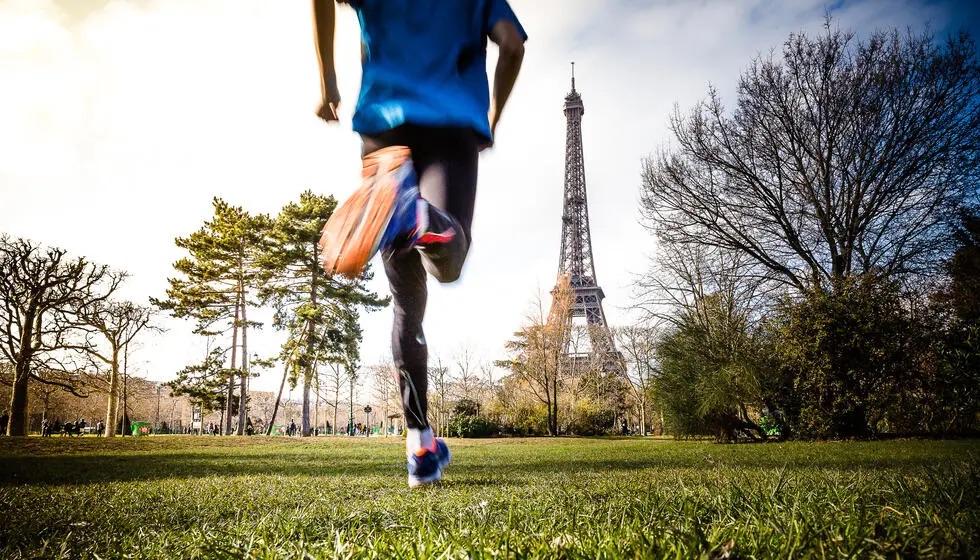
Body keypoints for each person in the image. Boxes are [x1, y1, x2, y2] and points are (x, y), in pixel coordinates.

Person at [312, 0, 525, 488]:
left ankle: (421, 447)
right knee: (447, 264)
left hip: (383, 133)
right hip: (451, 125)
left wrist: (327, 81)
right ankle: (421, 216)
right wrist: (492, 111)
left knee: (407, 307)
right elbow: (511, 45)